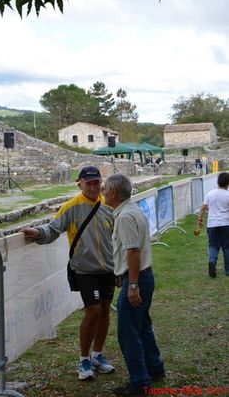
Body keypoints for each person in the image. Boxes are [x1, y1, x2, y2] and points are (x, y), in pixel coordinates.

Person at [22, 166, 115, 380]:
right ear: (79, 183)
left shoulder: (108, 205)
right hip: (84, 270)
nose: (93, 187)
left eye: (96, 182)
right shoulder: (71, 207)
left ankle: (97, 355)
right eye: (88, 183)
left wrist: (119, 267)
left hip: (108, 268)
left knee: (105, 310)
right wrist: (38, 233)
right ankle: (83, 360)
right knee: (92, 311)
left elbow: (116, 237)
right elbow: (54, 228)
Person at [103, 174, 165, 397]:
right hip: (139, 277)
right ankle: (154, 367)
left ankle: (140, 383)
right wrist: (122, 273)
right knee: (142, 325)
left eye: (105, 189)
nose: (103, 192)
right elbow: (128, 251)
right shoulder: (132, 210)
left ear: (114, 193)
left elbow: (133, 251)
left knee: (129, 333)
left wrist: (133, 285)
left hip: (137, 279)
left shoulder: (125, 216)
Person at [197, 172, 229, 278]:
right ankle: (227, 270)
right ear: (227, 183)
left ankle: (212, 262)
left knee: (213, 245)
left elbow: (203, 208)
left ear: (218, 182)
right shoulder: (228, 195)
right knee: (226, 247)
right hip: (226, 224)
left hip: (212, 225)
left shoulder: (210, 194)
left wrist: (200, 219)